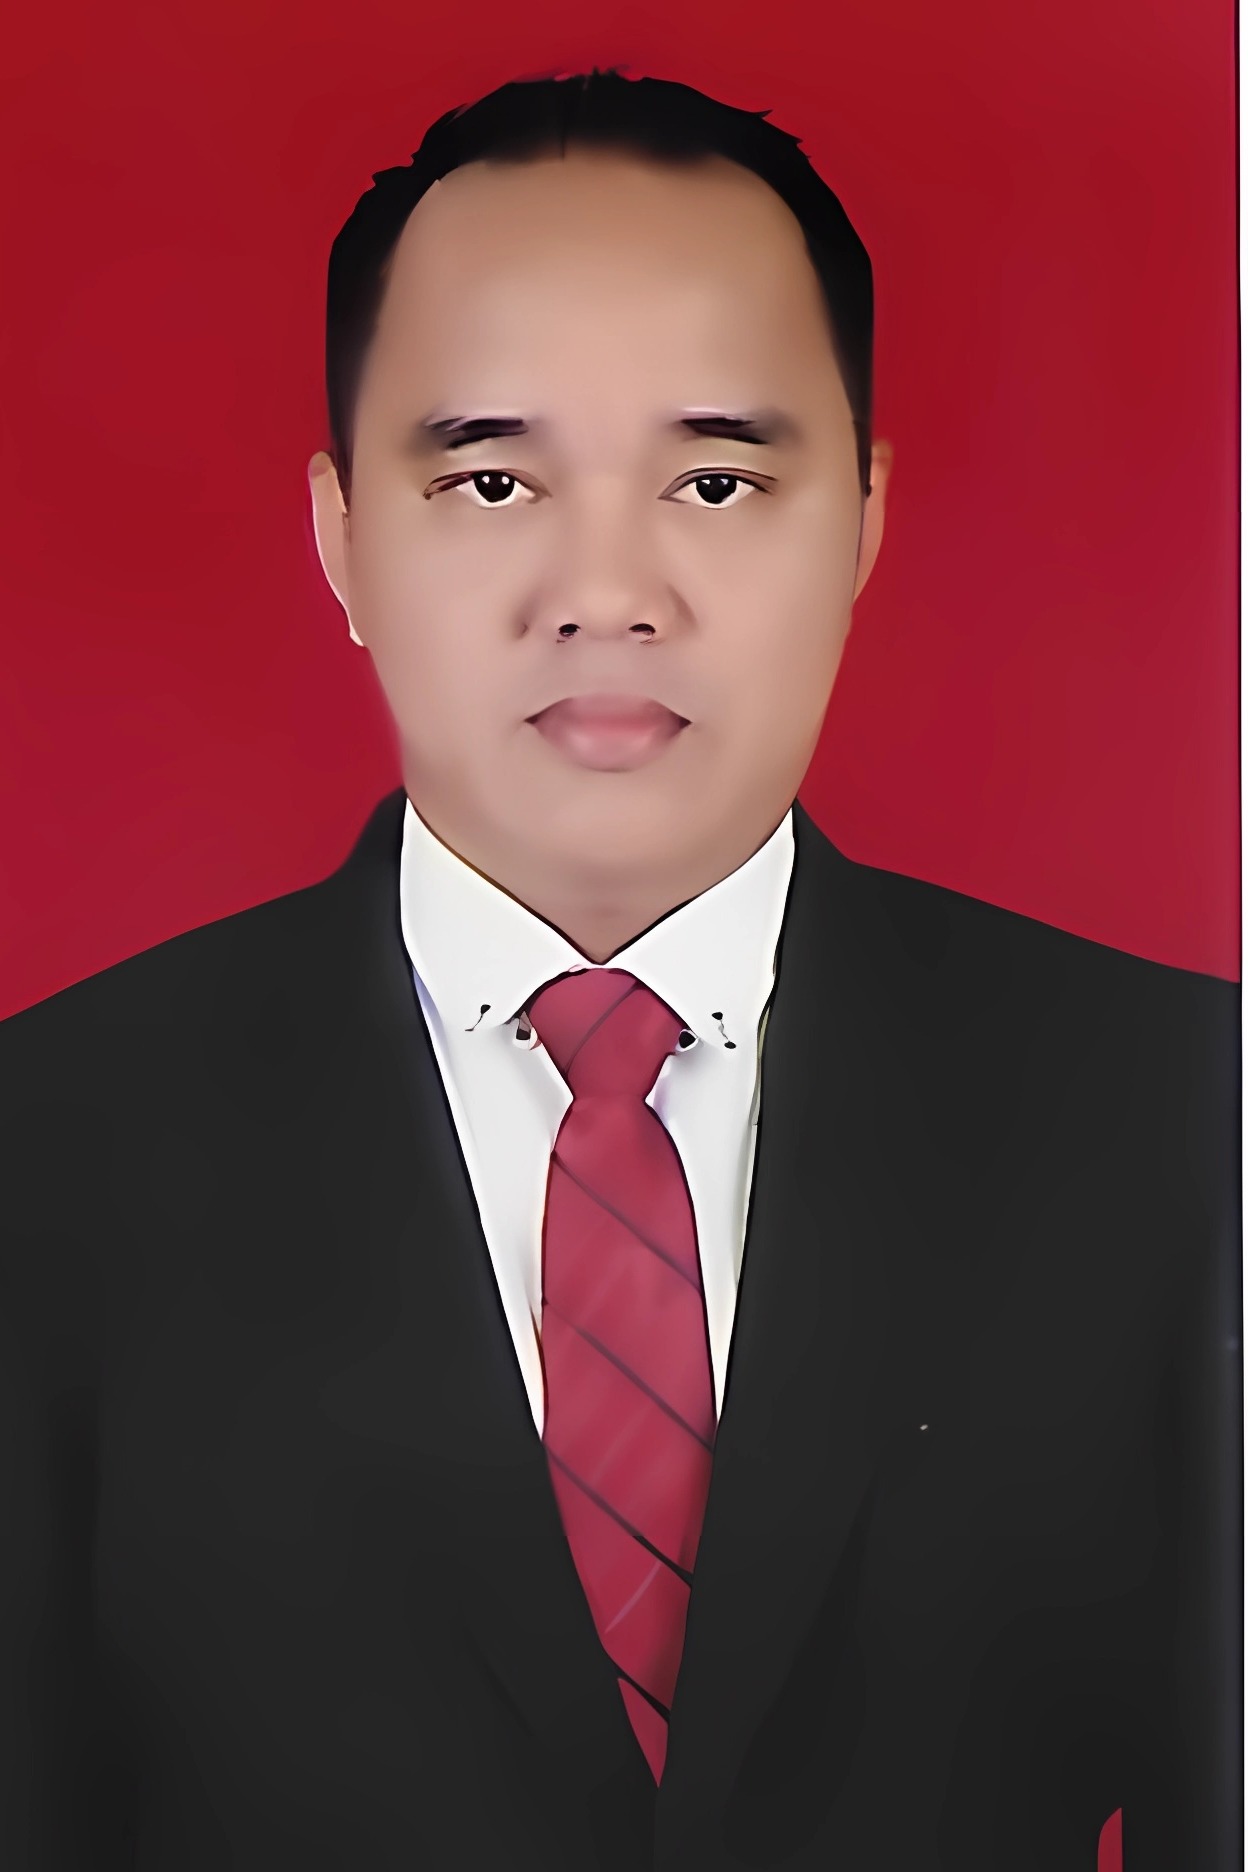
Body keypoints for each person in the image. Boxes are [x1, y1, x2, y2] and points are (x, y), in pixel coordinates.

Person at [0, 68, 1239, 1872]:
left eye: (716, 481)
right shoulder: (46, 1154)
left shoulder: (1184, 1122)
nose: (606, 591)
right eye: (493, 478)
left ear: (863, 520)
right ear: (343, 538)